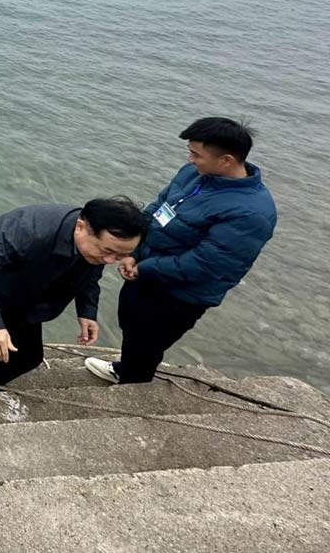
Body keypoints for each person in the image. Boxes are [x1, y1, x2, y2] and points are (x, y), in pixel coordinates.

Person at [85, 118, 278, 385]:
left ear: (226, 160)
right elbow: (157, 207)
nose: (190, 160)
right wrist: (134, 251)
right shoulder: (194, 175)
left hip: (181, 294)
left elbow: (206, 263)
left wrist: (145, 266)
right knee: (131, 324)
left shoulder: (250, 213)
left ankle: (133, 385)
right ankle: (126, 369)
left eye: (196, 154)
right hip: (147, 271)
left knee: (149, 340)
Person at [0, 198, 148, 387]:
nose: (110, 261)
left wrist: (86, 310)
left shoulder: (93, 250)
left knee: (27, 356)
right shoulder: (31, 231)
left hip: (27, 293)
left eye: (119, 256)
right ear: (81, 227)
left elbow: (90, 273)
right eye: (107, 251)